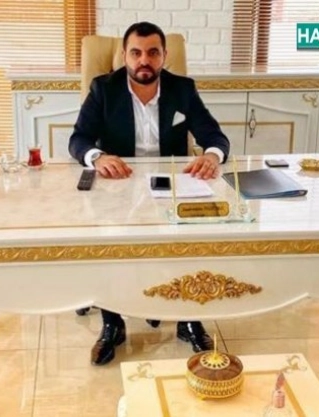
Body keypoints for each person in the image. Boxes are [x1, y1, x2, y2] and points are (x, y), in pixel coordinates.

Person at [68, 21, 231, 366]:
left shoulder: (182, 89)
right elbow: (78, 139)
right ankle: (113, 323)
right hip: (119, 183)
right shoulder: (103, 89)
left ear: (164, 56)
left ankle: (189, 320)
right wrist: (97, 157)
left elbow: (215, 137)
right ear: (124, 56)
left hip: (169, 183)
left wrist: (211, 156)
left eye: (153, 52)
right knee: (109, 243)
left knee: (190, 242)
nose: (144, 60)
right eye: (136, 53)